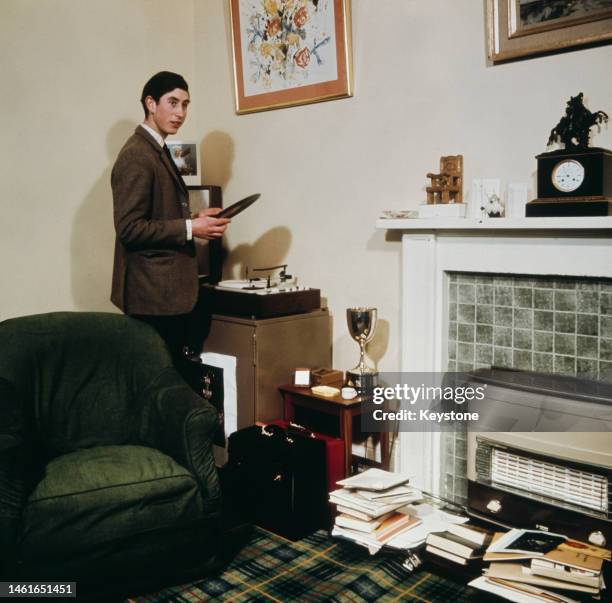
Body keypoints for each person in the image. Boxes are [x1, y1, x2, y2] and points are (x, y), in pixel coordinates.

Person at [110, 71, 230, 365]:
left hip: (165, 296)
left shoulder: (156, 149)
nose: (180, 113)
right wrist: (191, 227)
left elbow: (155, 214)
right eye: (172, 102)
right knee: (158, 383)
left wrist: (195, 218)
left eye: (185, 105)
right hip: (152, 298)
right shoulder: (137, 154)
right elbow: (130, 228)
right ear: (150, 103)